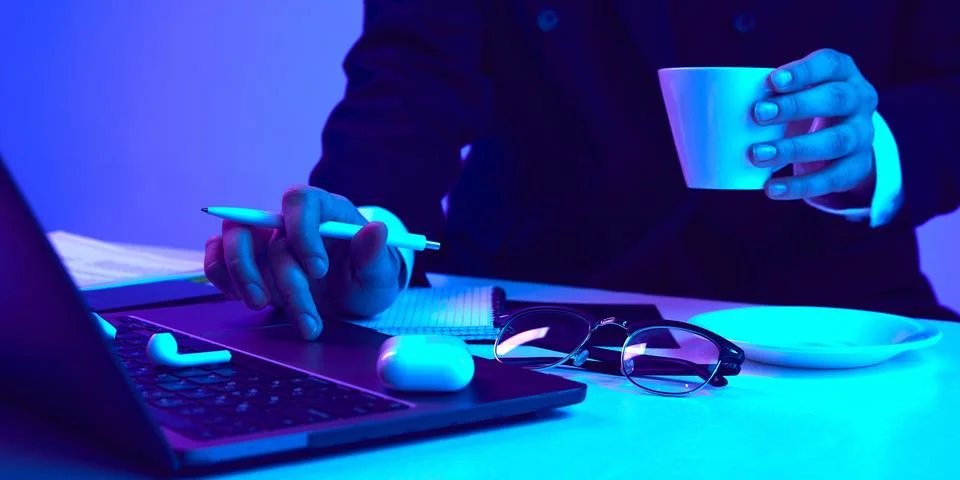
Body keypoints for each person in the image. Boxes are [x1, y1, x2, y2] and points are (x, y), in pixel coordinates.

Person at [204, 1, 960, 340]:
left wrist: (877, 147)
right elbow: (411, 74)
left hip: (837, 316)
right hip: (530, 306)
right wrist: (364, 231)